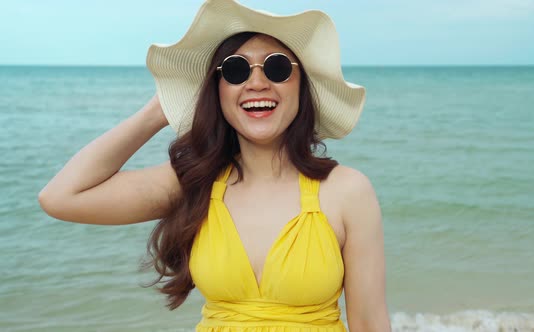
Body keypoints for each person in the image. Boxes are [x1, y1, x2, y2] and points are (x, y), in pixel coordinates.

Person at [38, 0, 391, 331]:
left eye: (277, 67)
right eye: (235, 70)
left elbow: (370, 323)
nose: (256, 82)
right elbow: (62, 197)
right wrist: (158, 111)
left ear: (302, 86)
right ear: (215, 89)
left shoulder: (347, 191)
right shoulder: (195, 182)